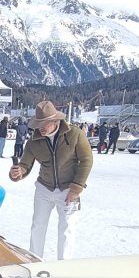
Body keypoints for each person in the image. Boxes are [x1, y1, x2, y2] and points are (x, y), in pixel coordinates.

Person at [9, 101, 92, 260]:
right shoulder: (34, 140)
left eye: (44, 123)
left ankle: (64, 265)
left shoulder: (75, 134)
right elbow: (25, 164)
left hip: (69, 189)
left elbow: (86, 160)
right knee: (37, 226)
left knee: (67, 229)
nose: (40, 127)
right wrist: (18, 172)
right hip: (44, 188)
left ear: (55, 121)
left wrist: (76, 188)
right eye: (38, 123)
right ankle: (35, 261)